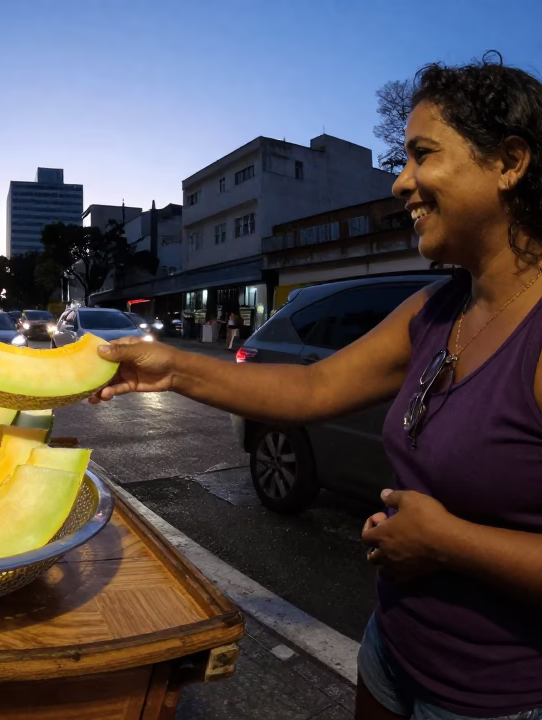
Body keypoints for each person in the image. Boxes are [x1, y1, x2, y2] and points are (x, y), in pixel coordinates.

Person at [93, 56, 542, 719]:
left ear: (509, 162)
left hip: (496, 701)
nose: (400, 182)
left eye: (422, 155)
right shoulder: (433, 311)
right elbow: (313, 389)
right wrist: (171, 368)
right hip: (390, 653)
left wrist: (449, 543)